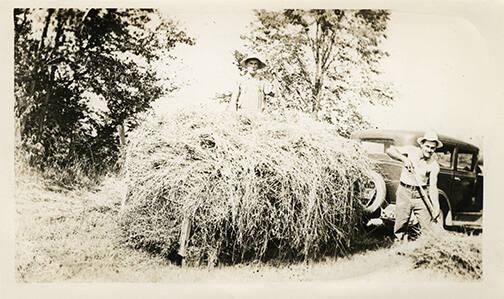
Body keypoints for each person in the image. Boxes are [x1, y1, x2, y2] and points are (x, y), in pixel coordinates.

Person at [386, 131, 442, 241]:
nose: (429, 150)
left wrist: (436, 206)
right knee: (400, 225)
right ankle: (400, 248)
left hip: (421, 195)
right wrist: (404, 159)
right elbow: (389, 150)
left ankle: (427, 250)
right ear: (422, 144)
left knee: (428, 227)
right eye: (427, 146)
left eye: (432, 148)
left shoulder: (434, 165)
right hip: (404, 192)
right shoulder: (411, 151)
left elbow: (433, 187)